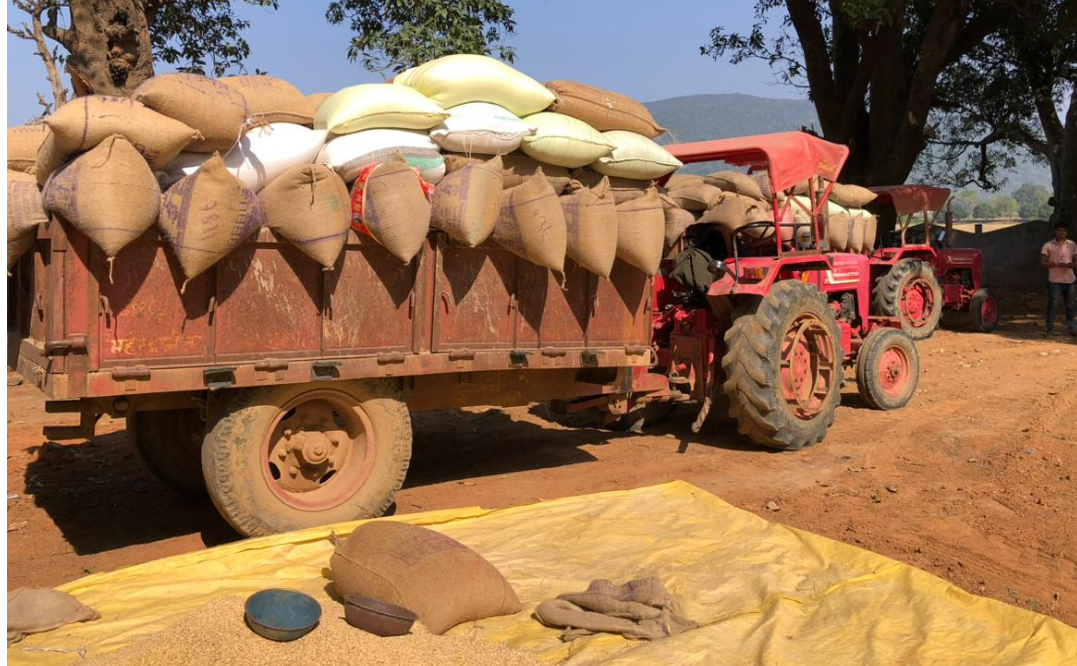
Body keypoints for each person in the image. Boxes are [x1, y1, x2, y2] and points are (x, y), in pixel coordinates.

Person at [1041, 222, 1076, 336]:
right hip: (1054, 281)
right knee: (1053, 305)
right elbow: (1043, 262)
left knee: (1070, 305)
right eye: (1060, 230)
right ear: (1056, 231)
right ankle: (1049, 329)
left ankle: (1072, 328)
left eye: (1064, 230)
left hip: (1069, 280)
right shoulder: (1048, 245)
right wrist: (1052, 264)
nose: (1062, 233)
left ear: (1067, 232)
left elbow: (1076, 261)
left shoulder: (1072, 245)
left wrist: (1071, 265)